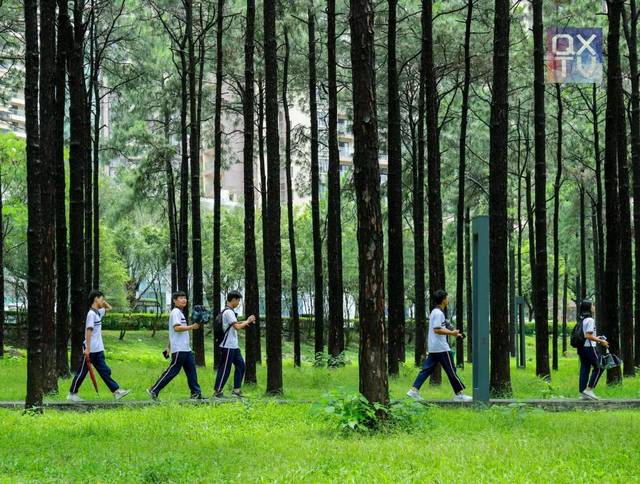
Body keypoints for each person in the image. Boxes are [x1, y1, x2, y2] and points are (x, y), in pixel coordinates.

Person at [407, 290, 472, 402]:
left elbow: (442, 326)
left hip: (434, 348)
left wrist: (457, 334)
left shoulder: (435, 312)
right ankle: (459, 395)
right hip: (441, 348)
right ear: (443, 300)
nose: (448, 300)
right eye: (447, 298)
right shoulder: (438, 313)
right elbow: (437, 330)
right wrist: (452, 333)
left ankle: (413, 391)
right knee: (451, 370)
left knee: (426, 370)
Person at [68, 290, 130, 402]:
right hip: (90, 350)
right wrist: (87, 348)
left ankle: (116, 392)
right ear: (96, 299)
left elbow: (109, 308)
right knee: (82, 372)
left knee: (105, 371)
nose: (103, 301)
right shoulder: (91, 314)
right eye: (101, 298)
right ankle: (72, 393)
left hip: (98, 349)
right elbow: (88, 331)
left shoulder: (98, 312)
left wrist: (102, 301)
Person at [147, 291, 202, 400]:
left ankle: (196, 393)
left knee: (191, 371)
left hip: (186, 348)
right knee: (173, 371)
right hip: (180, 349)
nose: (184, 300)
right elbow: (176, 328)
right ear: (174, 301)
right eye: (181, 298)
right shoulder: (176, 312)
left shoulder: (180, 313)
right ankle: (154, 390)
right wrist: (192, 327)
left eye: (185, 298)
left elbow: (172, 332)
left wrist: (168, 347)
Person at [213, 291, 256, 398]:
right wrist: (248, 321)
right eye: (238, 301)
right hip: (227, 346)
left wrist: (247, 321)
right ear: (233, 300)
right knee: (225, 369)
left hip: (233, 346)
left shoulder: (229, 312)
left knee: (241, 366)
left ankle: (236, 391)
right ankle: (217, 392)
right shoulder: (228, 312)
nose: (238, 303)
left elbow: (235, 324)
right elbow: (237, 327)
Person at [577, 299, 608, 400]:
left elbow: (588, 335)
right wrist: (602, 342)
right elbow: (588, 335)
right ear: (589, 308)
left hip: (582, 348)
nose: (594, 307)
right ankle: (589, 389)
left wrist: (597, 338)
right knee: (599, 367)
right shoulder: (590, 320)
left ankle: (583, 392)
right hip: (590, 347)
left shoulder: (582, 319)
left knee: (585, 368)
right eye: (592, 305)